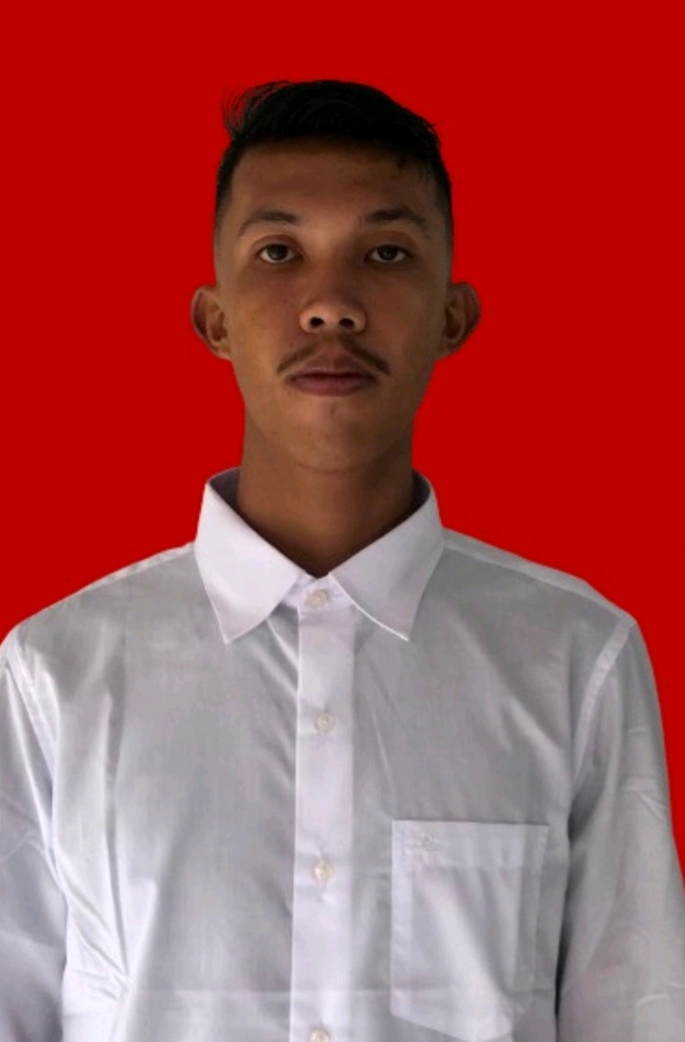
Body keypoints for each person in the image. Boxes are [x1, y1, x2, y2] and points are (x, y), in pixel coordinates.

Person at [1, 78, 683, 1042]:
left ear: (452, 316)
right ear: (214, 320)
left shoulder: (574, 660)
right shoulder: (54, 677)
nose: (330, 305)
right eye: (279, 252)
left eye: (386, 253)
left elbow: (640, 1014)